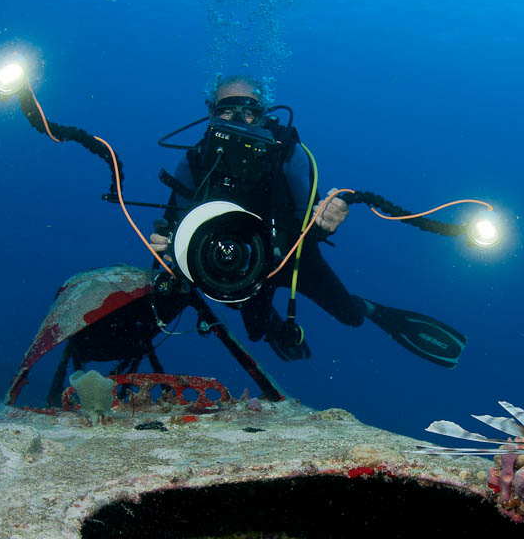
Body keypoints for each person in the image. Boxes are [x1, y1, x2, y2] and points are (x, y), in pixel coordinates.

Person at [150, 76, 466, 368]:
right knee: (255, 330)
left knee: (350, 316)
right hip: (238, 264)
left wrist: (325, 220)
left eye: (249, 112)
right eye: (227, 111)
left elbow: (308, 218)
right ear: (211, 112)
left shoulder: (288, 153)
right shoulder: (195, 160)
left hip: (292, 254)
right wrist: (167, 246)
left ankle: (370, 309)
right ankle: (274, 327)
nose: (238, 120)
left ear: (264, 114)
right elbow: (175, 224)